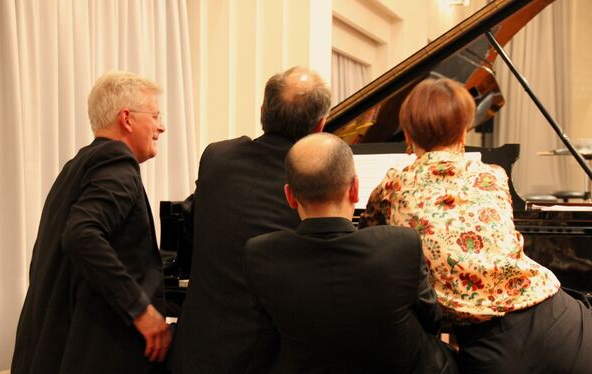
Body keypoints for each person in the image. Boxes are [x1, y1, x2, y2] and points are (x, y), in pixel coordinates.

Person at [359, 77, 592, 373]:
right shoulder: (492, 176)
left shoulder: (391, 188)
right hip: (558, 318)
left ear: (408, 131)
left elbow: (368, 248)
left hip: (494, 349)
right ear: (463, 129)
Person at [244, 133, 457, 373]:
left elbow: (266, 336)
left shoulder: (261, 254)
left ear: (290, 197)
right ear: (355, 189)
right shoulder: (401, 244)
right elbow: (433, 320)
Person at [169, 66, 331, 373]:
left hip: (195, 352)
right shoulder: (314, 183)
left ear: (262, 112)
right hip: (266, 359)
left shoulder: (217, 158)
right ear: (320, 127)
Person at [11, 71, 171, 374]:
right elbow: (81, 234)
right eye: (155, 115)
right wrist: (140, 310)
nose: (161, 126)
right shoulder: (117, 163)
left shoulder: (76, 167)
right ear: (126, 119)